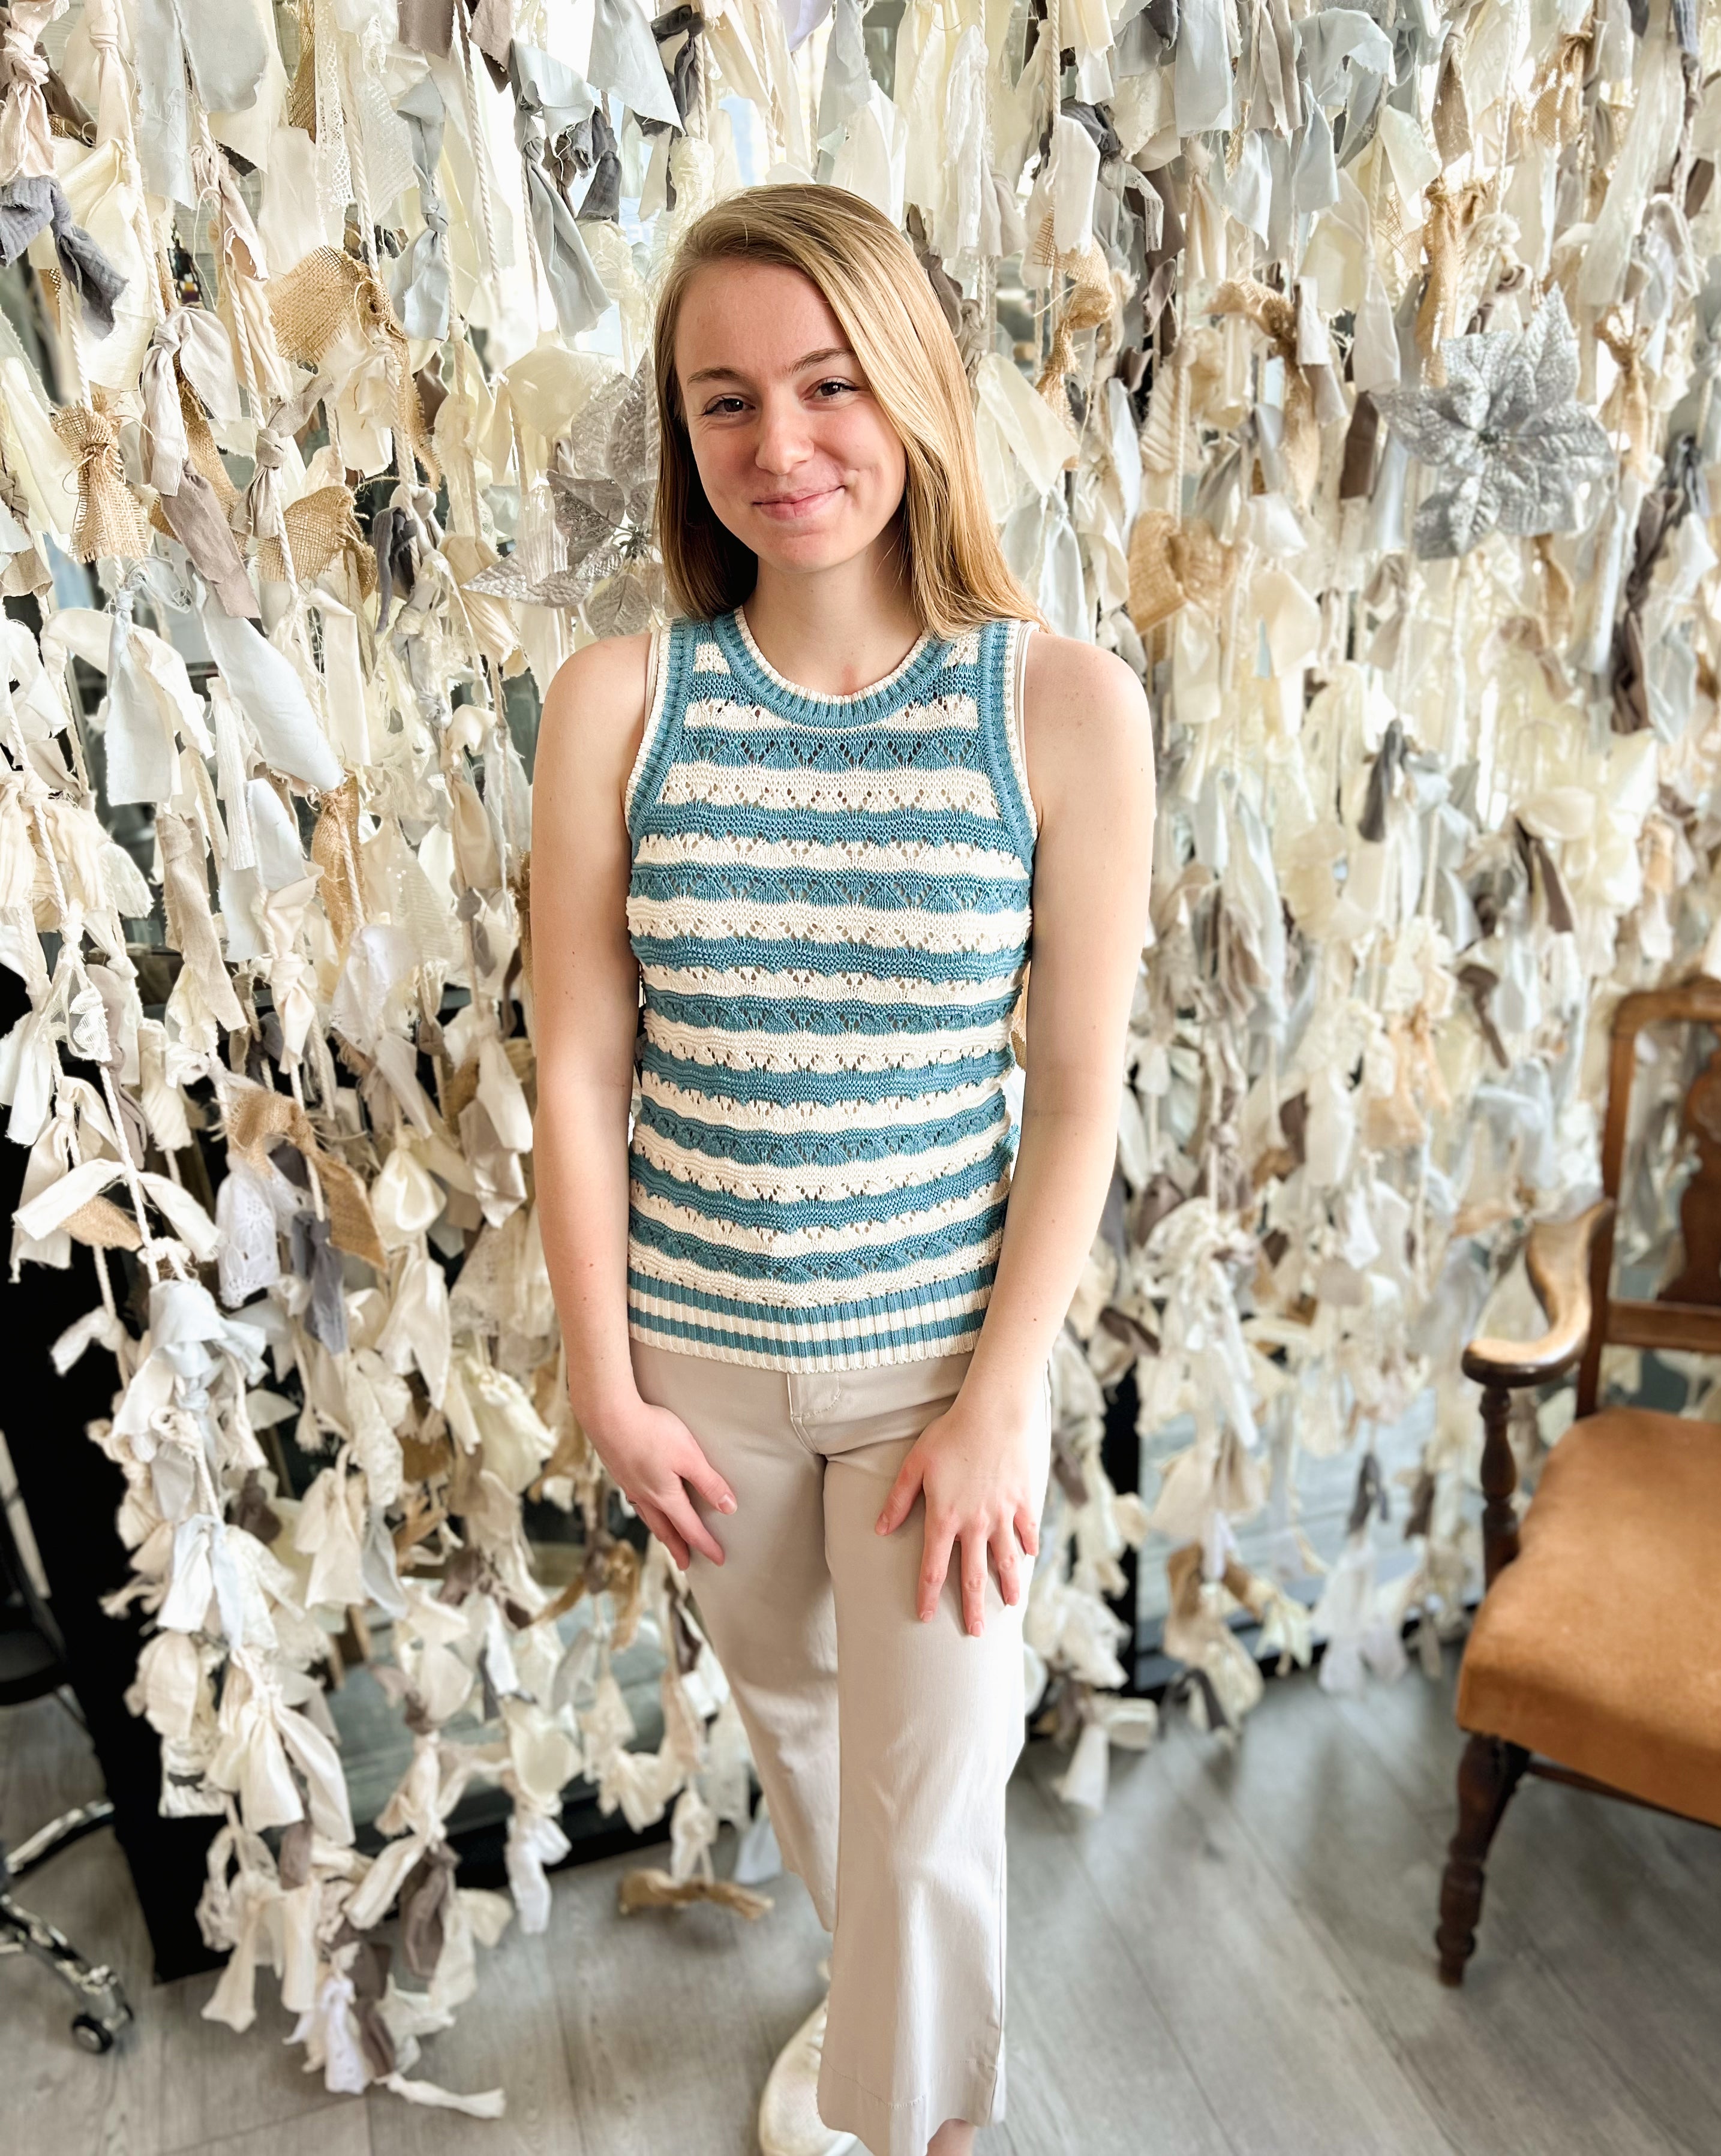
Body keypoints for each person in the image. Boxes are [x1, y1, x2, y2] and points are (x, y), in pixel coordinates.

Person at [530, 184, 1154, 2156]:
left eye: (827, 384)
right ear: (682, 431)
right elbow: (578, 1066)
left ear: (913, 387)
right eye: (724, 400)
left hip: (934, 1375)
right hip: (700, 1374)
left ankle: (916, 2124)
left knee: (930, 1799)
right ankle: (870, 2022)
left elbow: (1077, 1095)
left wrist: (999, 1401)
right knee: (809, 1741)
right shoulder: (619, 703)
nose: (779, 443)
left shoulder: (1057, 705)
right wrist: (608, 1382)